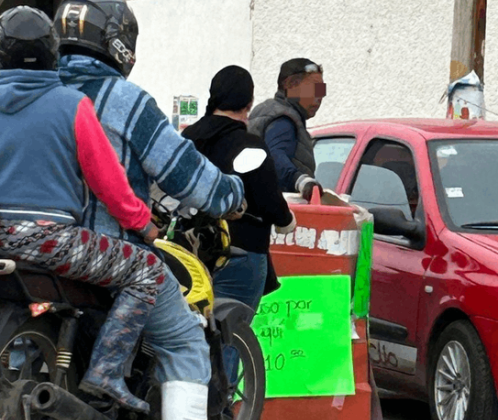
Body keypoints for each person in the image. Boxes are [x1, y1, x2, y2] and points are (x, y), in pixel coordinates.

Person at [53, 1, 245, 418]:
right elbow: (184, 174)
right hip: (102, 256)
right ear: (119, 44)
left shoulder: (32, 91)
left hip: (32, 251)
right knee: (185, 342)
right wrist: (231, 194)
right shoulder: (124, 101)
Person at [0, 6, 165, 413]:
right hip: (52, 241)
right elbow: (109, 183)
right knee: (147, 271)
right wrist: (143, 225)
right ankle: (106, 372)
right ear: (52, 52)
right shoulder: (71, 105)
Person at [182, 65, 296, 383]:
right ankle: (220, 409)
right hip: (240, 255)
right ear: (248, 104)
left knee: (186, 339)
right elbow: (272, 202)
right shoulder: (250, 147)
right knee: (229, 342)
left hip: (187, 254)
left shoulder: (187, 140)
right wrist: (287, 220)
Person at [248, 58, 326, 201]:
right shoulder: (283, 120)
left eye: (321, 90)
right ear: (290, 85)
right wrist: (301, 181)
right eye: (314, 88)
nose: (320, 96)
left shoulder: (265, 111)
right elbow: (275, 156)